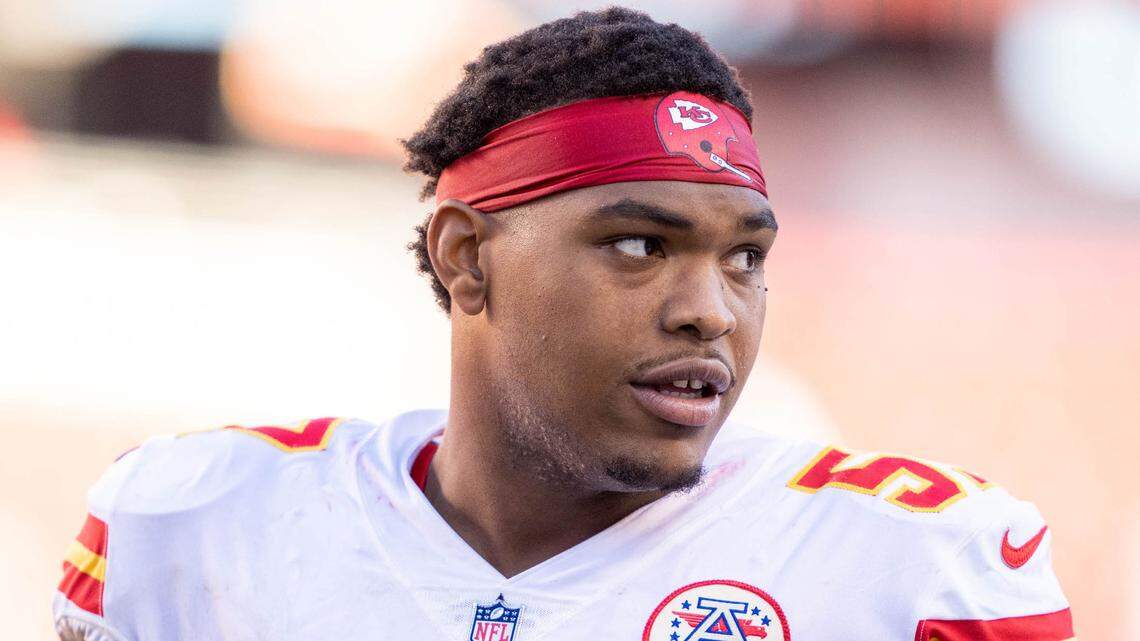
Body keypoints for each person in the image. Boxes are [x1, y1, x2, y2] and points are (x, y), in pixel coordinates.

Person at [53, 8, 1074, 641]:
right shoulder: (195, 524)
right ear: (465, 256)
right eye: (638, 244)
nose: (709, 309)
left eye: (746, 257)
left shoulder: (915, 567)